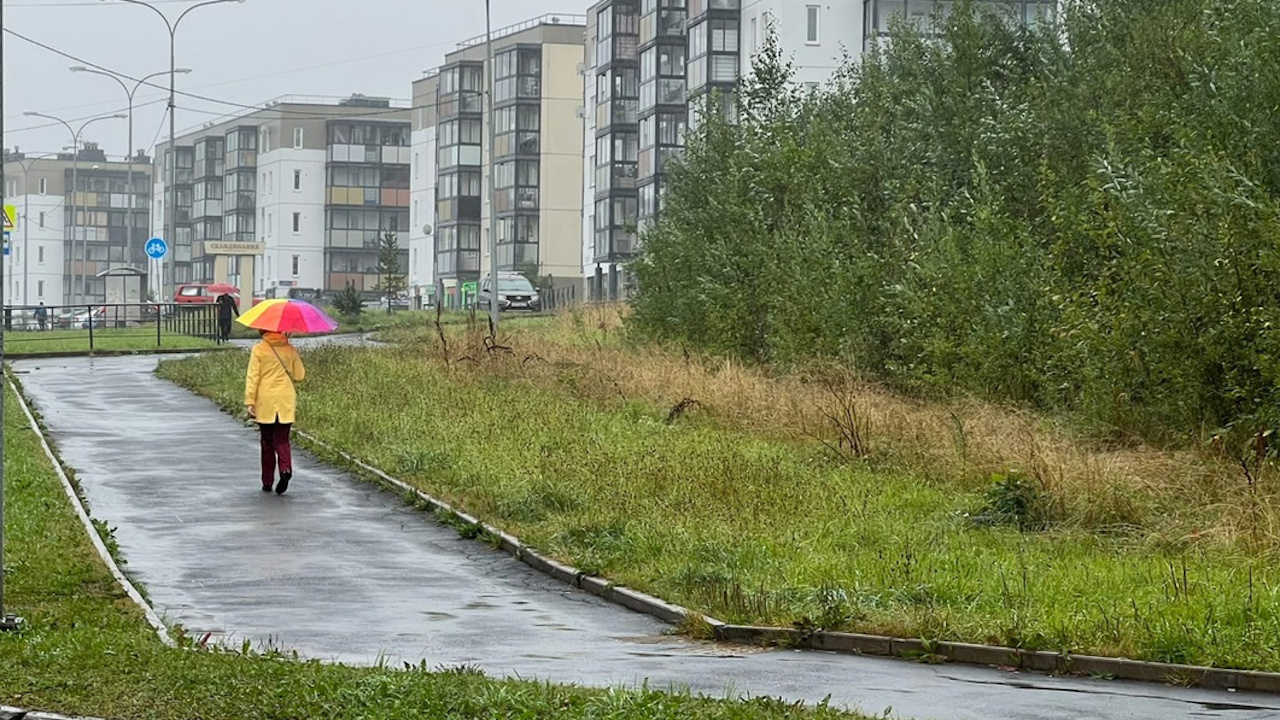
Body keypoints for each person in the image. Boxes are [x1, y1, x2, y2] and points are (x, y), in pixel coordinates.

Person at [244, 330, 306, 494]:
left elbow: (253, 377)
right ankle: (285, 469)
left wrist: (250, 401)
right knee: (282, 439)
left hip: (266, 400)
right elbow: (300, 375)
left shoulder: (259, 349)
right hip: (285, 399)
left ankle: (267, 481)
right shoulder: (290, 349)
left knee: (267, 442)